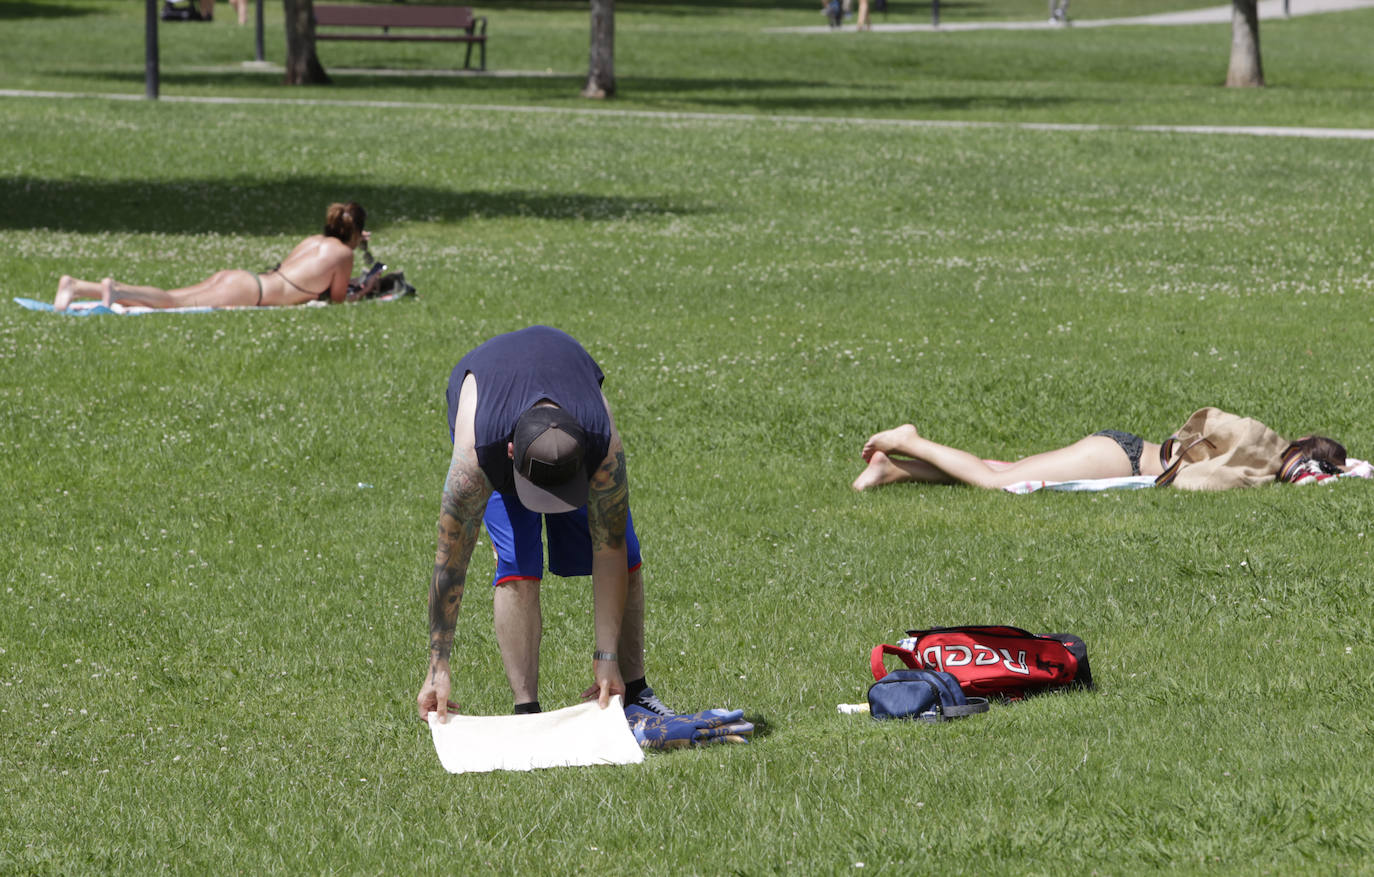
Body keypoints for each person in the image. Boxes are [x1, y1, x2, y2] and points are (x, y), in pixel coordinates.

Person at [417, 325, 675, 722]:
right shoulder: (476, 456)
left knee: (627, 553)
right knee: (519, 567)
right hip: (492, 407)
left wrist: (606, 657)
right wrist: (438, 667)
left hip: (564, 394)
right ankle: (528, 712)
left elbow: (609, 548)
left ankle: (635, 691)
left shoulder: (600, 442)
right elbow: (450, 561)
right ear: (509, 453)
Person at [54, 202, 374, 311]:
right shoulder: (344, 254)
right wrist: (365, 290)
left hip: (245, 279)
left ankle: (78, 286)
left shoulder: (313, 241)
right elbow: (337, 300)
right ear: (356, 232)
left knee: (170, 297)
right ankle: (117, 290)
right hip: (251, 292)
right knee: (172, 302)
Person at [852, 423, 1349, 491]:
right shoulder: (1261, 452)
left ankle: (894, 469)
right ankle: (910, 440)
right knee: (995, 482)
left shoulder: (1259, 457)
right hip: (1122, 459)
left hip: (1120, 451)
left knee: (1008, 471)